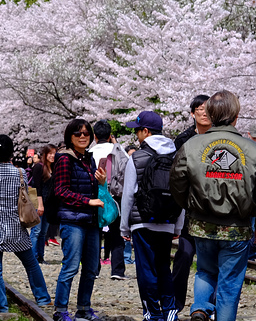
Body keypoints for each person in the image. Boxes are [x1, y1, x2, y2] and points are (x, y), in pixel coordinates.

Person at [170, 90, 256, 321]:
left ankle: (200, 308)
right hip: (237, 226)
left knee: (205, 269)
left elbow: (176, 181)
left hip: (201, 223)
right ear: (236, 116)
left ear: (211, 115)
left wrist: (190, 206)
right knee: (230, 281)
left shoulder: (192, 145)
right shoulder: (254, 150)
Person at [0, 135, 52, 311]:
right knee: (30, 263)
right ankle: (43, 298)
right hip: (15, 226)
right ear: (12, 152)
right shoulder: (19, 173)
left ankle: (1, 307)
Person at [120, 111, 184, 321]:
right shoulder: (177, 157)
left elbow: (128, 195)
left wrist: (124, 226)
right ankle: (170, 311)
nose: (137, 135)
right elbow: (181, 194)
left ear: (145, 131)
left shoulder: (137, 157)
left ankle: (153, 314)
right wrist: (177, 226)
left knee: (146, 269)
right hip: (167, 223)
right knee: (164, 267)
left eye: (138, 131)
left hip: (142, 223)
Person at [52, 119, 107, 321]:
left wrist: (101, 182)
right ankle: (60, 310)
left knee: (92, 268)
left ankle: (84, 307)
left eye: (86, 133)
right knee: (71, 266)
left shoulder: (88, 159)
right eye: (78, 133)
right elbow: (60, 191)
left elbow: (91, 189)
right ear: (70, 137)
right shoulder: (65, 159)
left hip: (91, 221)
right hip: (72, 221)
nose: (83, 136)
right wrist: (87, 201)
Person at [171, 93, 209, 312]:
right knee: (184, 256)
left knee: (209, 262)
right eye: (200, 109)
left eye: (208, 108)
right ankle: (175, 305)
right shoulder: (183, 139)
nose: (204, 112)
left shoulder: (219, 137)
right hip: (189, 208)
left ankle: (206, 307)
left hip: (212, 208)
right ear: (193, 113)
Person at [90, 120, 128, 280]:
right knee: (117, 234)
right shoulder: (119, 151)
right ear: (110, 135)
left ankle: (94, 269)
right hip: (115, 198)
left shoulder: (89, 152)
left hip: (94, 198)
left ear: (95, 136)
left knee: (95, 233)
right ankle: (117, 270)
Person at [30, 143, 58, 263]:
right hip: (39, 203)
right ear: (45, 154)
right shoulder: (39, 167)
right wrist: (40, 205)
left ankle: (40, 256)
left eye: (54, 153)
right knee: (36, 231)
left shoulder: (54, 167)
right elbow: (38, 187)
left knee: (43, 232)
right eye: (50, 153)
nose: (52, 156)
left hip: (49, 204)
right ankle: (32, 257)